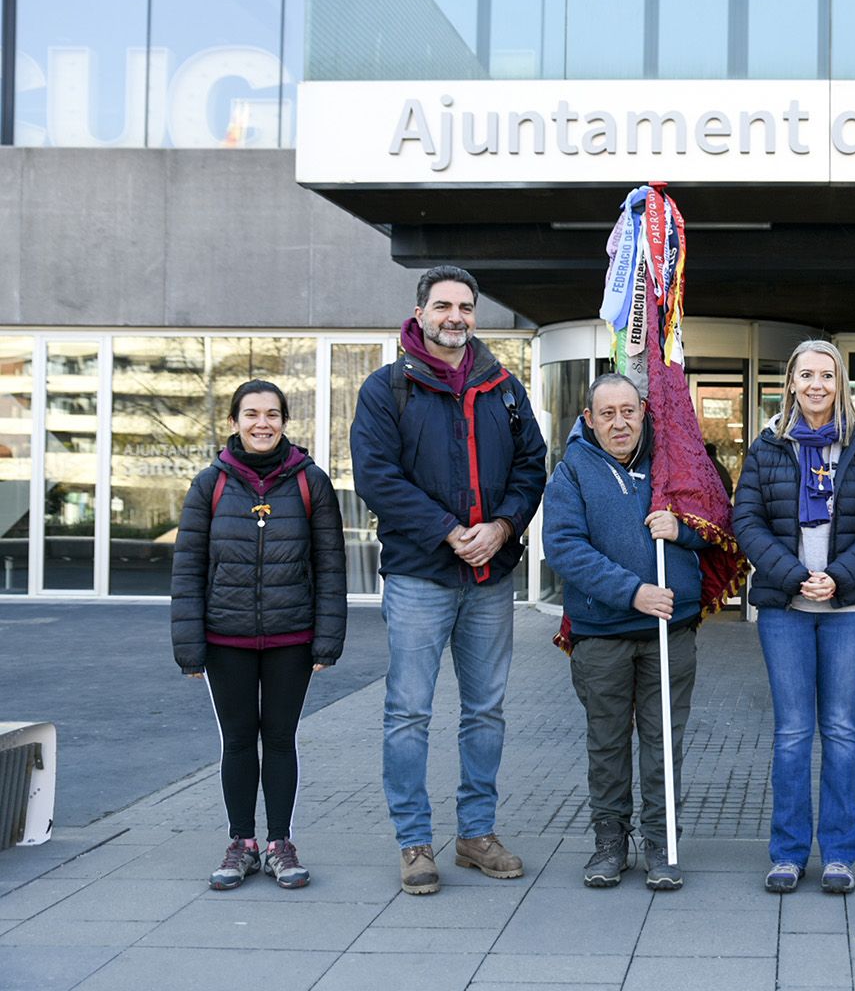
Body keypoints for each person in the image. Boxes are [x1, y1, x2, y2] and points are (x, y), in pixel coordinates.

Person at [351, 265, 547, 895]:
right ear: (421, 312)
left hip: (490, 577)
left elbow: (532, 465)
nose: (456, 316)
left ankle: (475, 835)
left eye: (465, 306)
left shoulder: (504, 388)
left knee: (485, 711)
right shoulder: (386, 390)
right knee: (408, 712)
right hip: (419, 577)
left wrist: (505, 524)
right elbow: (376, 476)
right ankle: (414, 842)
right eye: (444, 306)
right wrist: (446, 530)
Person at [733, 340, 855, 895]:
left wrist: (839, 576)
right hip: (786, 608)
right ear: (791, 382)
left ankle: (840, 855)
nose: (817, 385)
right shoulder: (766, 446)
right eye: (806, 375)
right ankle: (786, 854)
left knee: (842, 730)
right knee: (793, 733)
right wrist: (792, 575)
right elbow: (747, 520)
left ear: (840, 382)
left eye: (826, 375)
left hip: (848, 608)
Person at [171, 379, 347, 891]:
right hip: (226, 639)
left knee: (281, 739)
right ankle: (241, 843)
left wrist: (327, 638)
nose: (262, 423)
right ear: (233, 422)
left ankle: (279, 844)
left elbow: (330, 567)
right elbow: (187, 569)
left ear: (284, 422)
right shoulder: (211, 484)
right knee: (238, 741)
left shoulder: (311, 482)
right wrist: (189, 646)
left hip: (292, 638)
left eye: (272, 414)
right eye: (251, 414)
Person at [542, 373, 705, 892]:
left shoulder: (674, 466)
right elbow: (565, 549)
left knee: (663, 743)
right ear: (589, 419)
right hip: (603, 633)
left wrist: (683, 531)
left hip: (668, 632)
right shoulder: (571, 473)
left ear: (644, 413)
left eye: (628, 411)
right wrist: (633, 592)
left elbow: (721, 519)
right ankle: (610, 843)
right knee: (607, 743)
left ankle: (662, 845)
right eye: (607, 413)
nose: (619, 422)